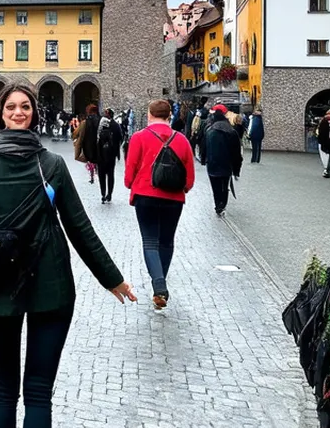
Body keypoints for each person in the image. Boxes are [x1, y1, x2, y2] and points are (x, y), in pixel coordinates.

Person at [0, 84, 135, 428]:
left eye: (25, 107)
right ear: (1, 114)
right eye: (11, 107)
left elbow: (81, 229)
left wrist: (113, 279)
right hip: (46, 288)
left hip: (3, 284)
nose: (19, 112)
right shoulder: (40, 164)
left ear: (33, 113)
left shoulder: (1, 165)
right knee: (21, 391)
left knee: (17, 391)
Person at [124, 99, 195, 310]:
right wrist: (184, 189)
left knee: (150, 241)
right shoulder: (182, 140)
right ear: (169, 116)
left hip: (146, 195)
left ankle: (159, 284)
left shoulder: (139, 138)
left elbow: (130, 170)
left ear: (150, 115)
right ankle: (160, 284)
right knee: (166, 242)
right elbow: (189, 177)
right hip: (173, 198)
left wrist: (131, 184)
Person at [202, 105, 242, 217]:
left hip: (212, 164)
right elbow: (236, 153)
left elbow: (203, 147)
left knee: (215, 186)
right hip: (226, 165)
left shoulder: (209, 130)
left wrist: (203, 159)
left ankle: (217, 205)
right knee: (225, 186)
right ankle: (222, 204)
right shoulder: (232, 132)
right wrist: (236, 169)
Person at [96, 108, 124, 203]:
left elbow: (96, 139)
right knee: (110, 175)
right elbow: (121, 137)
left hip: (101, 154)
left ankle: (103, 193)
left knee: (102, 175)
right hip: (111, 154)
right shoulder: (116, 125)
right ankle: (109, 194)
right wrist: (116, 149)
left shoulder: (100, 124)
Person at [75, 104, 101, 183]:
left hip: (88, 146)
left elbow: (79, 135)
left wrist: (78, 148)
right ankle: (98, 176)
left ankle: (92, 177)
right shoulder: (101, 120)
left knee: (90, 162)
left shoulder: (85, 122)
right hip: (98, 145)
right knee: (97, 162)